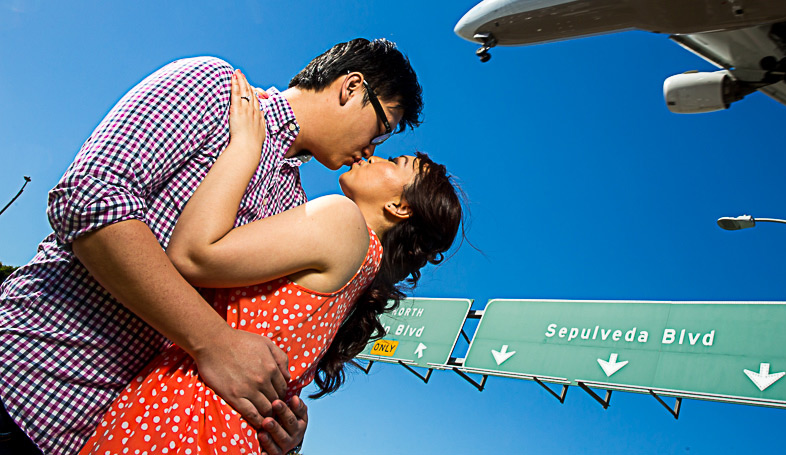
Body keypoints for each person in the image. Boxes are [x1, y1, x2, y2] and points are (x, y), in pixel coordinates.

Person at [0, 39, 422, 455]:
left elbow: (257, 343)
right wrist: (212, 341)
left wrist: (275, 420)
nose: (371, 149)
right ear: (351, 89)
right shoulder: (216, 89)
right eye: (382, 129)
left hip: (110, 431)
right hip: (27, 386)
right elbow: (88, 199)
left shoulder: (295, 206)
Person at [78, 72, 463, 454]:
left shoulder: (342, 222)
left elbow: (194, 254)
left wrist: (245, 147)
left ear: (399, 207)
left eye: (394, 160)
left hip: (185, 420)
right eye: (383, 139)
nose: (373, 153)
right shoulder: (354, 270)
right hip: (223, 433)